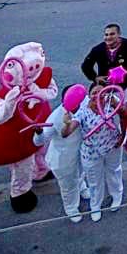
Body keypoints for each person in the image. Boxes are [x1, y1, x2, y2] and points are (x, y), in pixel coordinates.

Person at [77, 80, 126, 221]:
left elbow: (125, 115)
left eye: (101, 92)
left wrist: (122, 136)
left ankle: (117, 196)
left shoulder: (111, 101)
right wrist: (67, 125)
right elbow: (69, 128)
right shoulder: (83, 109)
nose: (97, 95)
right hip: (91, 153)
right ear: (89, 95)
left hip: (113, 146)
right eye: (94, 92)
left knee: (114, 171)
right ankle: (95, 205)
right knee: (94, 180)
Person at [34, 87, 85, 222]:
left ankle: (82, 187)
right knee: (68, 186)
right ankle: (71, 208)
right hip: (63, 160)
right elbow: (39, 141)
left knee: (80, 174)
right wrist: (38, 133)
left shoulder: (84, 106)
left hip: (80, 154)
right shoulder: (56, 116)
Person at [81, 23, 127, 89]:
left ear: (119, 34)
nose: (108, 37)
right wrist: (94, 78)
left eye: (112, 34)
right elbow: (85, 66)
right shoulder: (98, 49)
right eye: (106, 35)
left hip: (126, 88)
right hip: (105, 88)